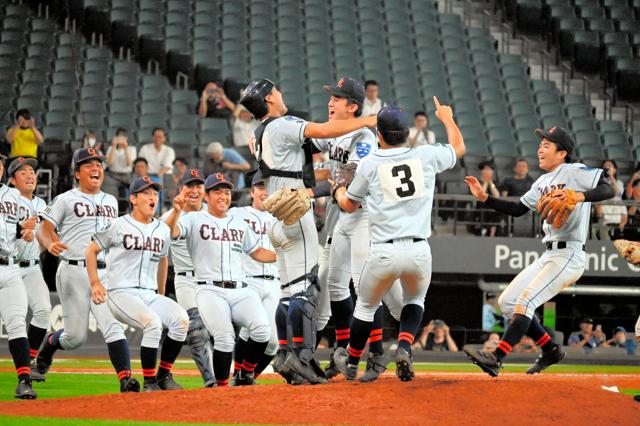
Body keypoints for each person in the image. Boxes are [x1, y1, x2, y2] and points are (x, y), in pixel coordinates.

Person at [239, 78, 377, 384]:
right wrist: (369, 119)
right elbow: (323, 131)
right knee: (305, 290)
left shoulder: (261, 131)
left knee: (287, 294)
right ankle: (302, 358)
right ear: (269, 99)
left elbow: (317, 147)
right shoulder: (282, 124)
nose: (280, 93)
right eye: (276, 90)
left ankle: (284, 355)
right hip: (295, 211)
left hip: (276, 215)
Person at [463, 126, 615, 376]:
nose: (540, 149)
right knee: (508, 302)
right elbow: (517, 209)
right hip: (549, 254)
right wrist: (484, 198)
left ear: (562, 152)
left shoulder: (573, 171)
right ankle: (551, 350)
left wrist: (577, 196)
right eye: (540, 144)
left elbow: (608, 189)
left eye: (547, 145)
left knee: (526, 301)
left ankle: (497, 356)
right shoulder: (542, 181)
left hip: (570, 254)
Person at [331, 100, 466, 381]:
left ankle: (353, 362)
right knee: (415, 299)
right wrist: (447, 118)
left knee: (365, 306)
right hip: (419, 250)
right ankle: (404, 346)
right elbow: (459, 148)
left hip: (384, 251)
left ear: (379, 135)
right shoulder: (426, 155)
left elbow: (350, 205)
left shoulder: (370, 164)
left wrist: (336, 189)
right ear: (406, 132)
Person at [311, 77, 403, 383]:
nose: (330, 103)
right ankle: (342, 349)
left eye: (337, 99)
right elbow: (310, 141)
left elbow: (350, 183)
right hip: (343, 216)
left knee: (367, 287)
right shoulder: (335, 133)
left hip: (365, 216)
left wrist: (312, 189)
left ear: (353, 106)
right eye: (331, 97)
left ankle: (376, 351)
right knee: (336, 284)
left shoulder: (362, 134)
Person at [35, 148, 135, 393]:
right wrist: (49, 244)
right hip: (72, 270)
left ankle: (126, 380)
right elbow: (41, 228)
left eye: (99, 164)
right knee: (75, 338)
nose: (96, 169)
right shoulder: (66, 199)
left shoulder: (111, 201)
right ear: (77, 172)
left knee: (112, 324)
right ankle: (48, 347)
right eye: (88, 164)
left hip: (104, 274)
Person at [164, 173, 276, 386]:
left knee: (262, 330)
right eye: (217, 192)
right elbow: (172, 232)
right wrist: (177, 211)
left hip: (241, 289)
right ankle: (221, 390)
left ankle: (244, 376)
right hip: (209, 289)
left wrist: (283, 253)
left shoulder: (239, 222)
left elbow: (258, 253)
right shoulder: (193, 218)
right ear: (206, 196)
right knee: (224, 338)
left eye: (227, 192)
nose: (223, 196)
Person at [86, 176, 189, 392]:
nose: (152, 197)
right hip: (120, 292)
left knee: (181, 321)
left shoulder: (161, 229)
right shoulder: (118, 224)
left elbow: (163, 260)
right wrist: (96, 283)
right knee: (152, 324)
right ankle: (149, 382)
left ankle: (163, 376)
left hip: (149, 293)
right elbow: (91, 250)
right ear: (133, 199)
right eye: (146, 193)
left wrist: (161, 293)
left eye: (155, 193)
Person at [160, 168, 215, 388]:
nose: (194, 190)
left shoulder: (214, 213)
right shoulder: (171, 216)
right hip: (186, 281)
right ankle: (211, 381)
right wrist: (159, 289)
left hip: (212, 280)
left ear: (204, 190)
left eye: (198, 186)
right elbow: (159, 249)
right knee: (196, 331)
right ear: (180, 189)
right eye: (189, 186)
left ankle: (239, 375)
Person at [229, 171, 280, 383]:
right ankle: (241, 377)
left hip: (275, 282)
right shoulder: (237, 213)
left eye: (268, 187)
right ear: (252, 192)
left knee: (273, 342)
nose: (264, 191)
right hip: (248, 280)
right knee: (251, 331)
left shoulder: (283, 215)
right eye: (260, 187)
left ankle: (246, 376)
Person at [9, 157, 51, 382]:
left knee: (44, 311)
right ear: (12, 180)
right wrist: (20, 232)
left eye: (32, 171)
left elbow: (45, 236)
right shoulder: (8, 200)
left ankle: (30, 361)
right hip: (9, 266)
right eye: (22, 171)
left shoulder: (43, 205)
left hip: (33, 267)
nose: (30, 175)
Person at [0, 156, 38, 399]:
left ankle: (24, 381)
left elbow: (13, 227)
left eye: (1, 165)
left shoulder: (13, 196)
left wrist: (24, 230)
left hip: (10, 267)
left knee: (16, 323)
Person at [138, 128, 175, 211]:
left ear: (164, 138)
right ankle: (155, 209)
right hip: (148, 175)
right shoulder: (145, 148)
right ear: (153, 138)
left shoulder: (169, 150)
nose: (158, 138)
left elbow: (166, 167)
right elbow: (141, 164)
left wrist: (159, 178)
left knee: (170, 185)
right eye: (156, 136)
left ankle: (166, 209)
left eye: (160, 136)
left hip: (165, 176)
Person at [593, 159, 627, 240]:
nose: (607, 168)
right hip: (603, 223)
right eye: (605, 167)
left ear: (614, 170)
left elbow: (618, 193)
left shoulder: (619, 183)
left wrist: (611, 176)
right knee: (594, 229)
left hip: (616, 224)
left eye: (609, 166)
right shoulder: (599, 183)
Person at [105, 128, 137, 197]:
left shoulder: (132, 149)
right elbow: (109, 163)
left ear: (126, 138)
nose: (121, 139)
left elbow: (130, 164)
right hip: (113, 175)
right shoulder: (111, 148)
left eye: (123, 137)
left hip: (127, 176)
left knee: (133, 188)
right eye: (119, 137)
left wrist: (125, 149)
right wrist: (113, 146)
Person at [475, 161, 500, 237]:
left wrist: (491, 183)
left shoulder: (494, 183)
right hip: (480, 206)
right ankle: (483, 231)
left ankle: (493, 233)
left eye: (490, 169)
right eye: (486, 169)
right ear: (481, 171)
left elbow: (497, 195)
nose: (489, 172)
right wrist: (485, 183)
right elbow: (480, 195)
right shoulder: (476, 182)